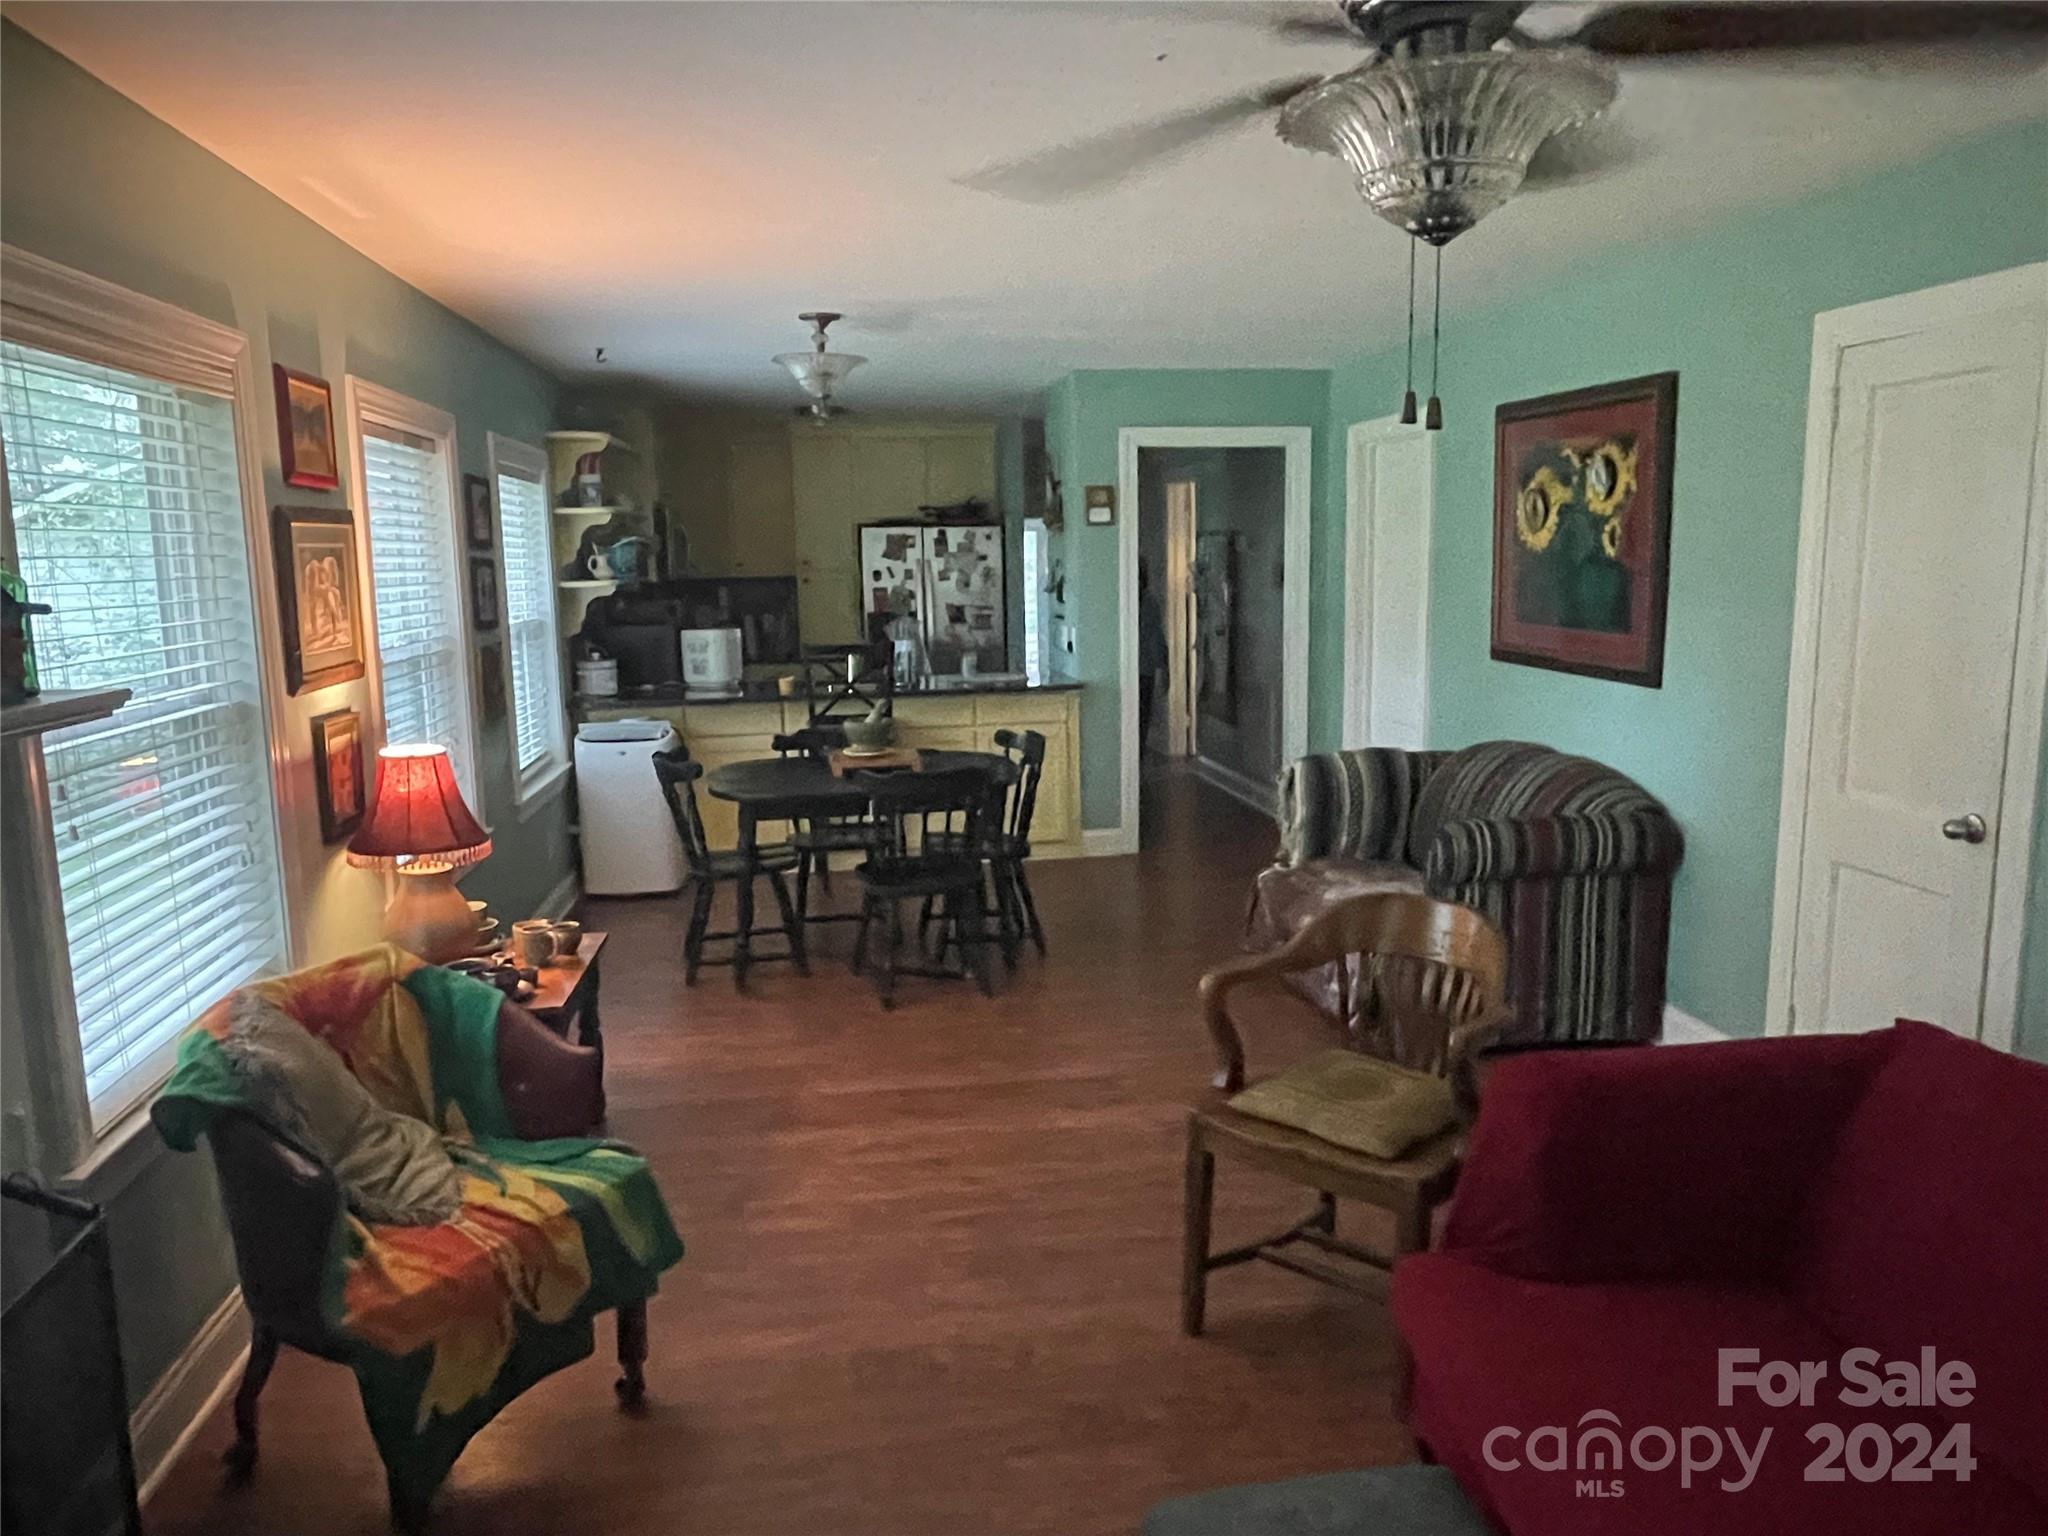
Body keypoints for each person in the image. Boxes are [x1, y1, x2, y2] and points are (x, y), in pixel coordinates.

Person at [1138, 559, 1167, 755]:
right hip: (1143, 669)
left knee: (1142, 716)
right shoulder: (1150, 603)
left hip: (1144, 669)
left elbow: (1155, 638)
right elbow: (1155, 637)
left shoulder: (1149, 604)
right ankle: (1138, 752)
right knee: (1141, 716)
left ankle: (1138, 753)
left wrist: (1162, 666)